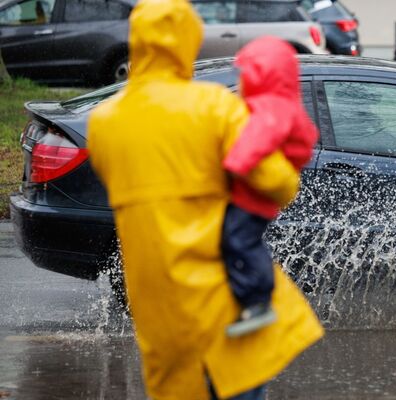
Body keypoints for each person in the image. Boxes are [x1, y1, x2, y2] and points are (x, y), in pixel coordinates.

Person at [86, 0, 323, 398]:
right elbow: (279, 184)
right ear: (187, 40)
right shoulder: (213, 107)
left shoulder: (103, 123)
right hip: (222, 303)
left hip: (157, 309)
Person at [222, 36, 319, 338]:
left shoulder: (271, 106)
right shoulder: (280, 102)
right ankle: (251, 300)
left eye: (245, 72)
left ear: (262, 72)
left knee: (240, 241)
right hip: (258, 193)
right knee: (238, 240)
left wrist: (234, 163)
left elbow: (258, 139)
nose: (240, 79)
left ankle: (259, 300)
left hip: (253, 194)